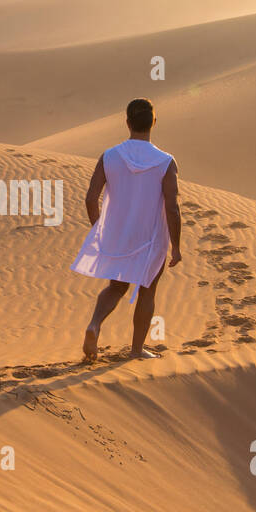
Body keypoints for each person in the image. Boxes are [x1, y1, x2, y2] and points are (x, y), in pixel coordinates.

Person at [71, 98, 181, 360]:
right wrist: (176, 246)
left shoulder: (109, 156)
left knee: (116, 287)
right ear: (153, 122)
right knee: (147, 289)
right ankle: (136, 350)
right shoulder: (165, 162)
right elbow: (172, 207)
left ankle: (95, 324)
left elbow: (90, 198)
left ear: (128, 123)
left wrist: (101, 228)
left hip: (119, 234)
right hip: (151, 237)